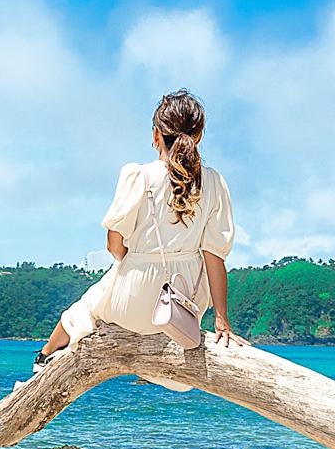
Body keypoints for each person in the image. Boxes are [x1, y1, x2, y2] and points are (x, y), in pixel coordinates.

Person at [35, 89, 239, 371]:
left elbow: (114, 247)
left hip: (133, 299)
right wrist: (222, 321)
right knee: (101, 294)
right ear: (200, 136)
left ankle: (46, 357)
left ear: (156, 135)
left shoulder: (138, 176)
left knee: (85, 305)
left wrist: (137, 259)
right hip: (183, 300)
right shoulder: (214, 182)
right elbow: (214, 256)